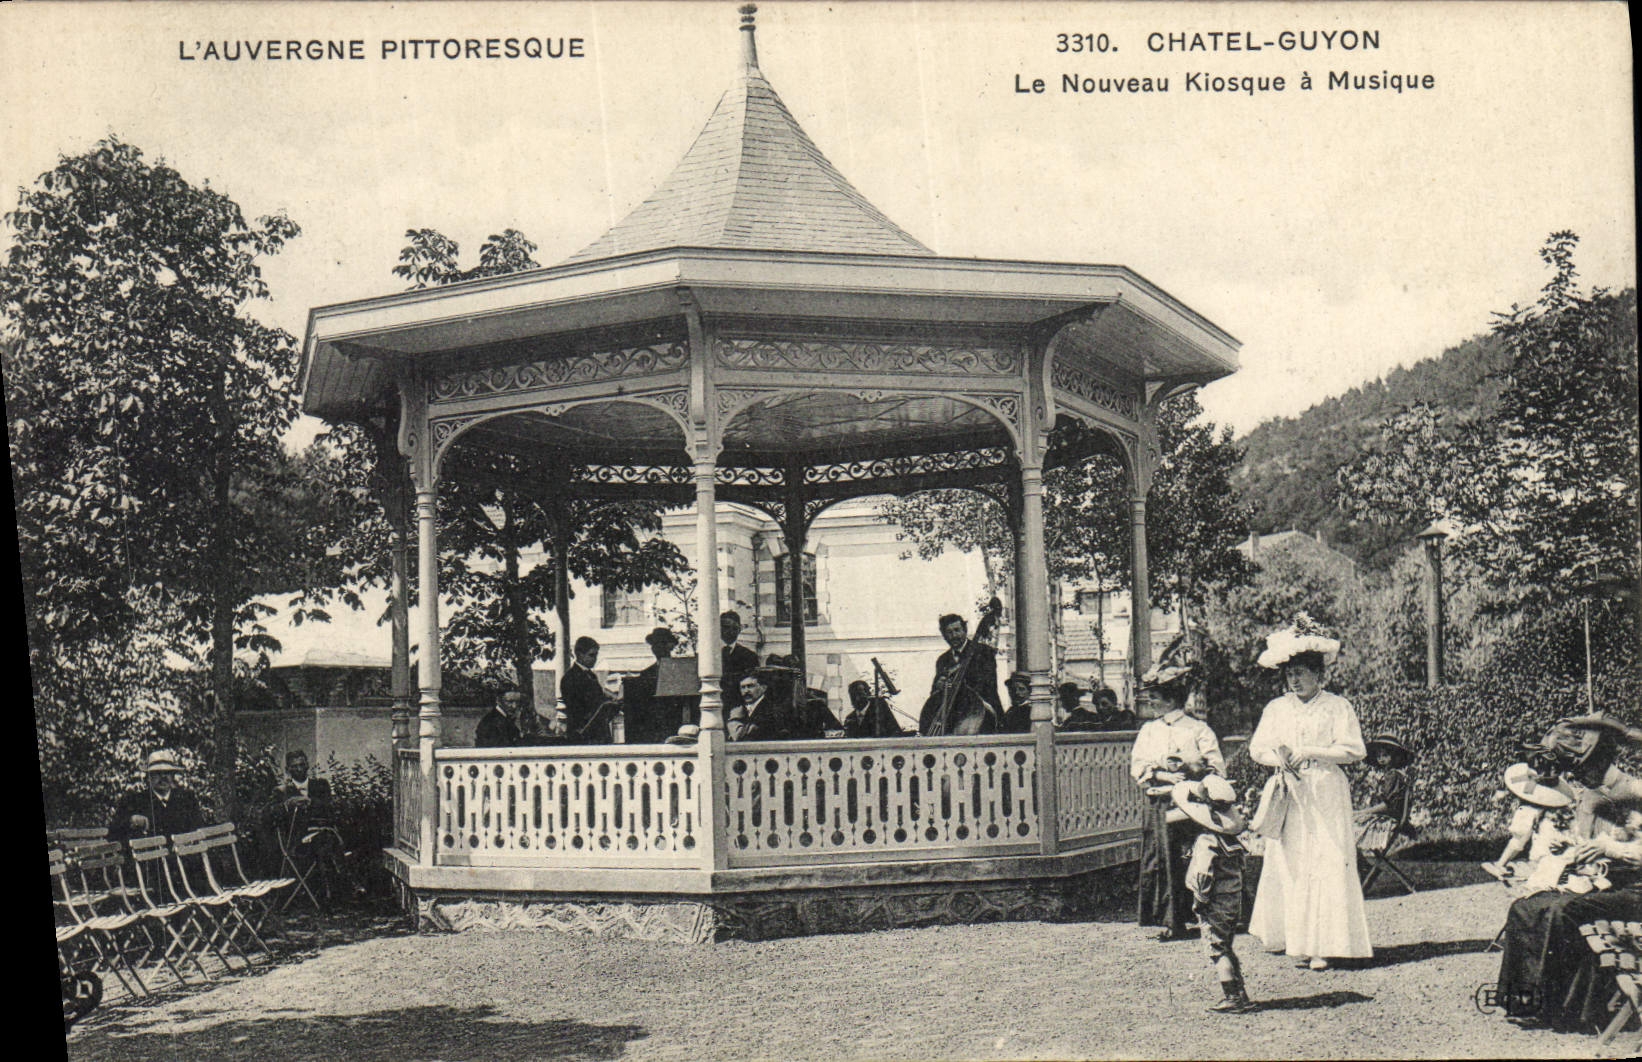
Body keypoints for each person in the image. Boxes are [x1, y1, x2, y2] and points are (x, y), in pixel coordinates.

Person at [1494, 713, 1642, 1031]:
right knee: (1527, 906)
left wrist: (1609, 850)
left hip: (1637, 890)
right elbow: (1589, 845)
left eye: (1582, 770)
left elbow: (1622, 849)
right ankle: (1524, 1001)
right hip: (1608, 881)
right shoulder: (1592, 796)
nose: (1579, 778)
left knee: (1565, 911)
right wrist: (1572, 854)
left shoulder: (1636, 790)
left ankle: (1562, 1008)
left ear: (1600, 763)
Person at [1247, 614, 1372, 970]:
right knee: (1293, 863)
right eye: (1290, 674)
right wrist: (1278, 758)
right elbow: (1257, 748)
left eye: (1302, 673)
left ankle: (1325, 945)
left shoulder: (1336, 706)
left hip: (1325, 791)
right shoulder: (1276, 708)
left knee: (1327, 862)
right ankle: (1297, 940)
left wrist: (1311, 751)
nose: (1295, 680)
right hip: (1290, 793)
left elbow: (1354, 750)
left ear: (1319, 675)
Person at [1130, 662, 1224, 941]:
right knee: (1161, 858)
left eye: (1155, 697)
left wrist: (1192, 772)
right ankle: (1171, 920)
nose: (1150, 702)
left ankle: (1201, 914)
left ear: (1171, 698)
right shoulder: (1149, 730)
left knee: (1193, 856)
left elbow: (1216, 766)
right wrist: (1158, 773)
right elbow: (1139, 764)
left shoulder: (1197, 729)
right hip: (1160, 803)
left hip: (1192, 805)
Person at [1176, 775, 1256, 1014]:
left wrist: (1199, 900)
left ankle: (1232, 996)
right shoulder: (1231, 842)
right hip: (1232, 900)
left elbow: (1203, 874)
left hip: (1215, 902)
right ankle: (1240, 991)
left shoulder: (1206, 842)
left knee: (1216, 949)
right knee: (1226, 945)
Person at [260, 750, 351, 901]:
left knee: (325, 840)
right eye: (294, 766)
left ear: (308, 765)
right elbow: (267, 816)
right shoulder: (281, 792)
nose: (299, 769)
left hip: (323, 834)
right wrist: (286, 805)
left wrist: (311, 802)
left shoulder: (321, 785)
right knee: (327, 842)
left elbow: (330, 808)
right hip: (298, 843)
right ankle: (341, 888)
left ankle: (329, 893)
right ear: (288, 770)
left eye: (302, 765)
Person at [1482, 756, 1576, 882]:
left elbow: (1518, 839)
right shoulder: (1561, 811)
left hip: (1543, 859)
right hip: (1563, 855)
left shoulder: (1528, 812)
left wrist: (1501, 863)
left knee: (1521, 839)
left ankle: (1501, 864)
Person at [919, 613, 1002, 735]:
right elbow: (934, 696)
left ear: (965, 630)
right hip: (955, 720)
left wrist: (960, 686)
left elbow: (988, 685)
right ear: (944, 636)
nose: (954, 636)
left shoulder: (984, 652)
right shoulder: (943, 660)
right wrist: (939, 687)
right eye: (949, 632)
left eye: (957, 630)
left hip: (981, 715)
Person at [108, 750, 206, 842]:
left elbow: (200, 828)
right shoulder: (134, 801)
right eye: (157, 773)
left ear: (173, 776)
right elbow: (113, 833)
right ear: (149, 777)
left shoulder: (187, 799)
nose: (163, 777)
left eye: (167, 773)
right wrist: (130, 821)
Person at [622, 627, 687, 744]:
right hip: (652, 728)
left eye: (662, 643)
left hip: (674, 724)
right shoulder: (646, 673)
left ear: (670, 646)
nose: (657, 648)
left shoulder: (679, 670)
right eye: (654, 644)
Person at [1354, 734, 1415, 853]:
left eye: (1385, 755)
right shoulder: (1391, 775)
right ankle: (1363, 866)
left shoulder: (1393, 775)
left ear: (1395, 756)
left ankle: (1362, 866)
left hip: (1389, 818)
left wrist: (1363, 812)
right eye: (1379, 756)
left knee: (1349, 823)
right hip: (1389, 816)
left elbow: (1388, 805)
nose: (1381, 759)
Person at [560, 636, 612, 742]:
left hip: (599, 733)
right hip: (583, 734)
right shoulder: (570, 678)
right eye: (591, 655)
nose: (595, 659)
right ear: (579, 654)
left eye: (596, 655)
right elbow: (575, 709)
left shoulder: (591, 676)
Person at [720, 611, 760, 716]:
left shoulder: (749, 656)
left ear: (739, 630)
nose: (730, 631)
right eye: (726, 627)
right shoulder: (709, 655)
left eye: (734, 628)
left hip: (738, 709)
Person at [844, 679, 908, 738]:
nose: (856, 699)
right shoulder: (850, 718)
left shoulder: (880, 712)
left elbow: (895, 733)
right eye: (853, 695)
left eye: (859, 694)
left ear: (868, 694)